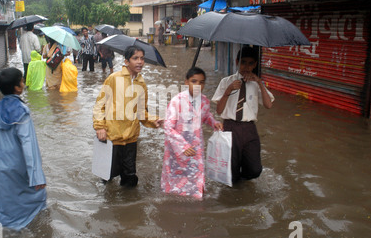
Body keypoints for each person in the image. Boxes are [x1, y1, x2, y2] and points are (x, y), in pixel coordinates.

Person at [0, 67, 47, 231]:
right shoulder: (22, 112)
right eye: (22, 80)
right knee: (34, 199)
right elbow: (29, 144)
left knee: (0, 199)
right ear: (18, 87)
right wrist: (37, 176)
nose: (23, 83)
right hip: (16, 167)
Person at [93, 46, 163, 187]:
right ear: (126, 61)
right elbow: (100, 104)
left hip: (131, 138)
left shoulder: (141, 83)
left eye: (142, 58)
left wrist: (153, 120)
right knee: (107, 179)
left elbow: (142, 112)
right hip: (112, 137)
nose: (140, 62)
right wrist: (100, 127)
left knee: (130, 179)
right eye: (135, 58)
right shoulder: (113, 78)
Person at [212, 46, 274, 184]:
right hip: (230, 127)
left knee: (254, 169)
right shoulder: (226, 82)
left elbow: (268, 105)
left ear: (255, 65)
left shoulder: (256, 84)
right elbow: (219, 111)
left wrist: (259, 82)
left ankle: (243, 183)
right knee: (231, 170)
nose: (246, 66)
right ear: (236, 62)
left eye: (250, 63)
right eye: (243, 62)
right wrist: (229, 90)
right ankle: (235, 192)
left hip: (249, 128)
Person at [161, 67, 223, 199]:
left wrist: (214, 123)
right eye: (194, 81)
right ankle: (174, 202)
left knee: (196, 174)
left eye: (201, 82)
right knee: (175, 178)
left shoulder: (204, 101)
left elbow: (205, 116)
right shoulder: (177, 101)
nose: (198, 86)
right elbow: (167, 127)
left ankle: (196, 197)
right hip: (177, 149)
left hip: (196, 146)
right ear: (186, 82)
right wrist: (183, 146)